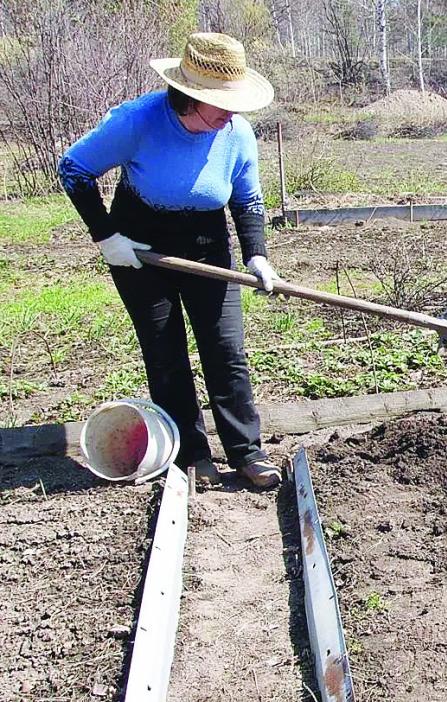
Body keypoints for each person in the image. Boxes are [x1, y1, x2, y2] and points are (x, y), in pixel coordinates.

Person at [58, 33, 282, 489]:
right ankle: (191, 454)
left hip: (205, 242)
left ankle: (246, 452)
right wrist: (107, 237)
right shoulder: (138, 121)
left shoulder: (236, 133)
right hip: (140, 247)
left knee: (226, 351)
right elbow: (73, 169)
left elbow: (248, 199)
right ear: (189, 97)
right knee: (165, 353)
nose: (230, 115)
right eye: (220, 105)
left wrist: (257, 256)